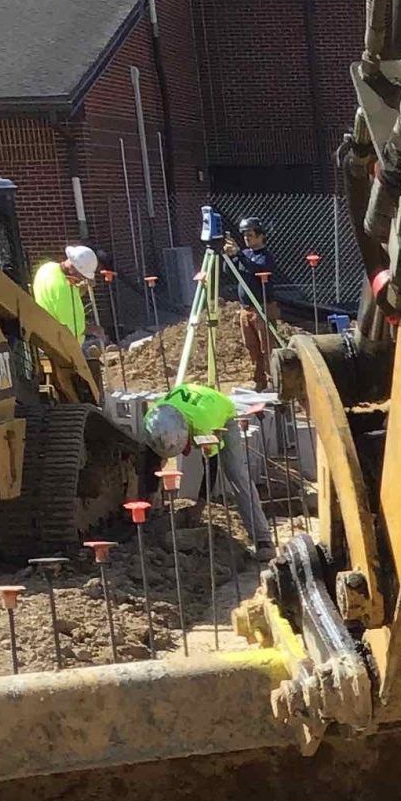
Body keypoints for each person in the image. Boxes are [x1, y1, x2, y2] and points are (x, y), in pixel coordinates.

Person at [143, 383, 275, 553]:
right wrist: (151, 492)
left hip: (221, 412)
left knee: (236, 473)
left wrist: (200, 505)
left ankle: (263, 539)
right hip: (193, 407)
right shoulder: (153, 420)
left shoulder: (204, 427)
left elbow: (211, 466)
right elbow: (151, 454)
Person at [233, 215, 277, 385]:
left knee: (267, 347)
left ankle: (274, 380)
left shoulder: (265, 256)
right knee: (251, 346)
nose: (246, 238)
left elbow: (258, 269)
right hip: (246, 309)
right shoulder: (245, 254)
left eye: (250, 235)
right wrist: (230, 256)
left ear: (261, 236)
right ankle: (259, 381)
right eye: (245, 235)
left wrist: (239, 255)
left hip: (262, 307)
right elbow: (229, 272)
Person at [30, 243, 101, 349]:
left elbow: (63, 299)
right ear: (74, 269)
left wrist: (83, 287)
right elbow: (72, 329)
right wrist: (94, 329)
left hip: (48, 336)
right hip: (64, 348)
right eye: (82, 276)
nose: (81, 279)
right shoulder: (62, 289)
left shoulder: (47, 268)